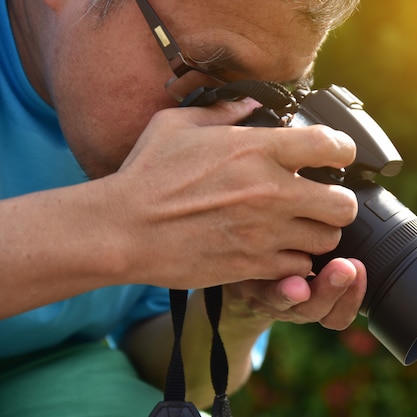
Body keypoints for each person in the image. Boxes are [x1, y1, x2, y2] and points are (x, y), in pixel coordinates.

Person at [0, 0, 367, 416]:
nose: (232, 128)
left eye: (272, 99)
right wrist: (125, 226)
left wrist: (237, 312)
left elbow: (169, 378)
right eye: (206, 77)